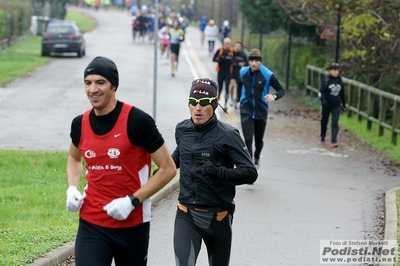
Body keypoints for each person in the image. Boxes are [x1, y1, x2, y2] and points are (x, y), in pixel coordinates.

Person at [65, 56, 176, 266]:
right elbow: (73, 157)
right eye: (88, 83)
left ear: (113, 85)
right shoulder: (80, 124)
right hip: (92, 222)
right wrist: (72, 188)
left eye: (100, 82)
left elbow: (168, 168)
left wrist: (132, 200)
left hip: (132, 224)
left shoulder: (138, 121)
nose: (93, 89)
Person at [171, 78, 258, 266]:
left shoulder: (227, 135)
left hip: (217, 217)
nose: (198, 108)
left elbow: (250, 173)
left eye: (203, 103)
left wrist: (220, 172)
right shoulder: (182, 129)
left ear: (214, 104)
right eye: (193, 103)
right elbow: (177, 158)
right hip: (187, 214)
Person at [237, 49, 285, 167]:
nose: (253, 63)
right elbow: (239, 84)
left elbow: (281, 90)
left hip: (260, 110)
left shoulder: (268, 74)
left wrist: (274, 96)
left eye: (256, 61)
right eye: (251, 61)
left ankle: (257, 155)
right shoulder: (243, 72)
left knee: (258, 141)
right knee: (248, 139)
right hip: (246, 108)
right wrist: (238, 100)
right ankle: (249, 166)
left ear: (260, 62)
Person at [319, 62, 347, 147]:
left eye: (337, 70)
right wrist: (323, 100)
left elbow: (342, 93)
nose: (336, 72)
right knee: (324, 121)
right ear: (330, 70)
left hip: (336, 104)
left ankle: (334, 140)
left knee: (335, 122)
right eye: (334, 70)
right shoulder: (326, 80)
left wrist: (344, 104)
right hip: (326, 104)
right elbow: (321, 92)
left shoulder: (340, 80)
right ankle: (322, 136)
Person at [213, 37, 234, 109]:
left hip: (228, 73)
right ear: (223, 44)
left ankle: (225, 104)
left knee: (227, 87)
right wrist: (221, 60)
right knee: (220, 88)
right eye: (226, 43)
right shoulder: (219, 51)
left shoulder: (231, 52)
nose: (227, 45)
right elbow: (214, 59)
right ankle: (217, 100)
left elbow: (234, 61)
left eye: (229, 44)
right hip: (220, 72)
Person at [231, 41, 248, 107]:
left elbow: (247, 64)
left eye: (239, 46)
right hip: (232, 72)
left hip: (240, 74)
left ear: (241, 47)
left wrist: (243, 64)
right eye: (236, 46)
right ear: (234, 46)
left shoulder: (243, 55)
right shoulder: (232, 53)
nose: (238, 47)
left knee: (238, 87)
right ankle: (231, 99)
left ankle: (237, 99)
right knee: (232, 86)